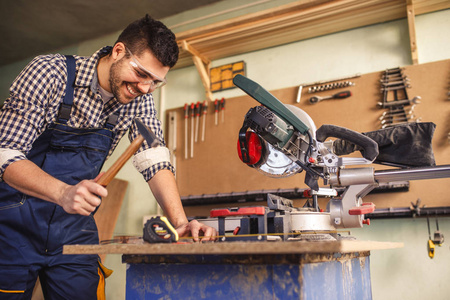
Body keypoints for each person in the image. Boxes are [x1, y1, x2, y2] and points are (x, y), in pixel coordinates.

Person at [0, 14, 217, 299]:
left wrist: (180, 223)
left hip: (73, 232)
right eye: (141, 74)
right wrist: (63, 192)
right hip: (13, 228)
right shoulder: (48, 74)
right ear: (118, 52)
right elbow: (6, 153)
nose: (144, 88)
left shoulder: (139, 101)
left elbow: (154, 157)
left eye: (155, 82)